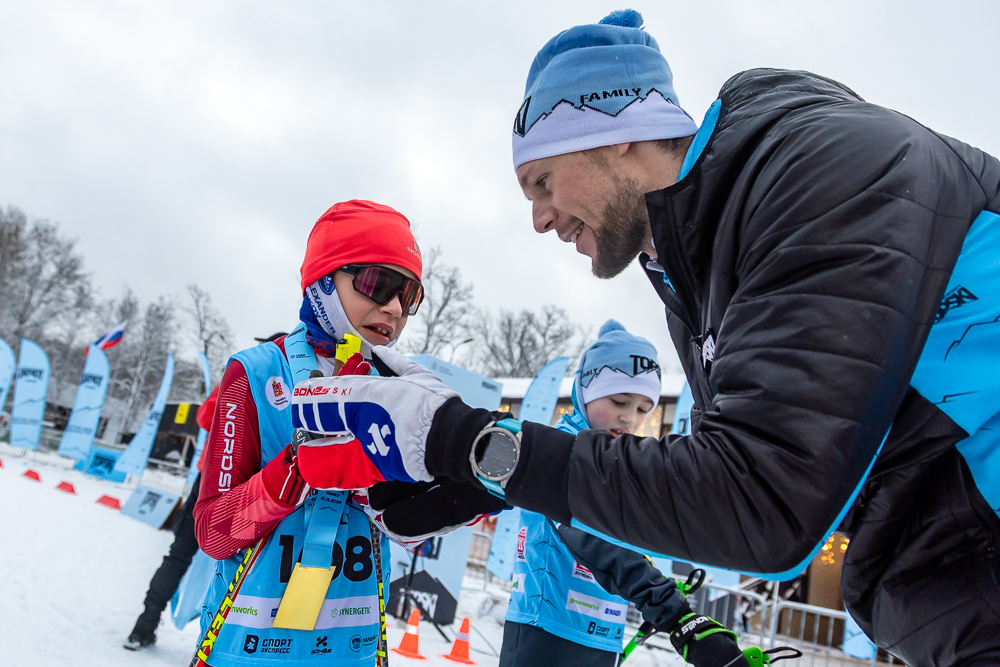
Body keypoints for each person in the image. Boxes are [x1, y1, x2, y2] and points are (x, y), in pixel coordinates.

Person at [288, 10, 1000, 667]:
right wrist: (486, 484)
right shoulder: (696, 275)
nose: (539, 219)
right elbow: (733, 482)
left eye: (543, 181)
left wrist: (465, 441)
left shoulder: (824, 168)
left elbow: (762, 500)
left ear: (617, 130)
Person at [192, 200, 498, 666]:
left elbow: (401, 526)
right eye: (377, 283)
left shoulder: (401, 388)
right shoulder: (256, 372)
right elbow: (213, 533)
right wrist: (298, 470)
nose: (394, 308)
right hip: (248, 647)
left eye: (410, 296)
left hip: (350, 648)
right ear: (323, 281)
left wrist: (465, 493)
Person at [502, 320, 742, 667]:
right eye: (619, 401)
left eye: (644, 408)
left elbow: (629, 542)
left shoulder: (621, 461)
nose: (630, 418)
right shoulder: (560, 448)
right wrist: (673, 611)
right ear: (585, 391)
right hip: (547, 631)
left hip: (603, 635)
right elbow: (593, 539)